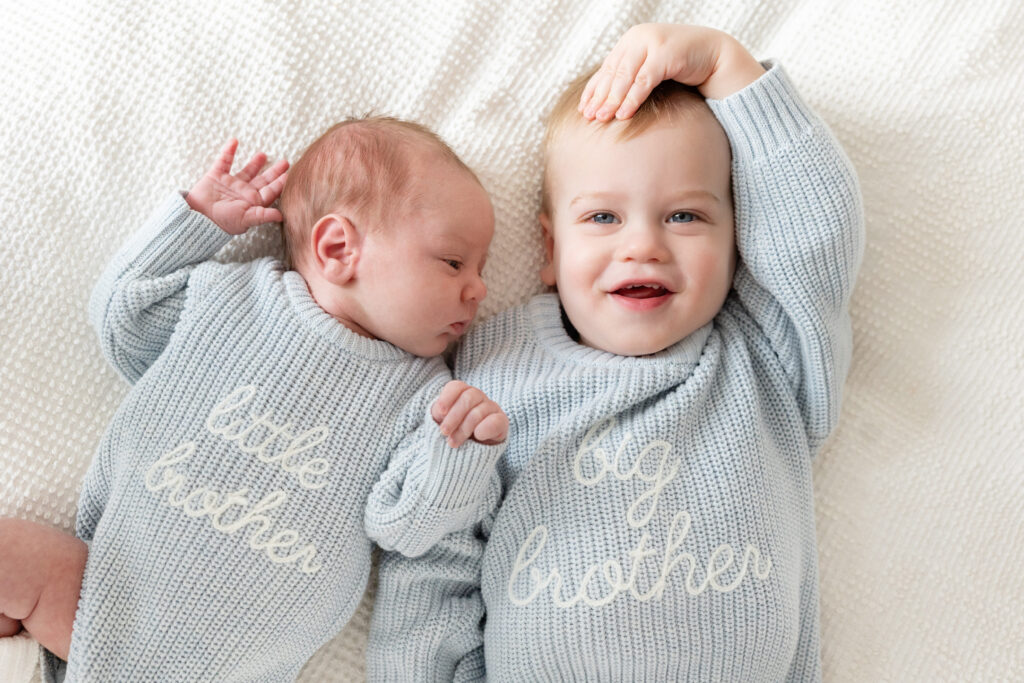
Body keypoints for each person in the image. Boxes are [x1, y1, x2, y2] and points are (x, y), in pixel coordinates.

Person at [367, 24, 864, 681]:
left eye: (684, 216)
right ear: (549, 251)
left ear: (739, 240)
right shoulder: (494, 374)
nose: (643, 246)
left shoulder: (767, 358)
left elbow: (814, 234)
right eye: (603, 218)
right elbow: (436, 558)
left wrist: (724, 63)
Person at [0, 116, 509, 682]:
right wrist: (197, 224)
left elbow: (406, 527)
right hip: (110, 598)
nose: (478, 289)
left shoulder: (427, 401)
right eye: (453, 261)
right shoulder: (230, 300)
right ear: (338, 246)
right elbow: (124, 316)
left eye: (483, 269)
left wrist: (461, 451)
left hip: (232, 664)